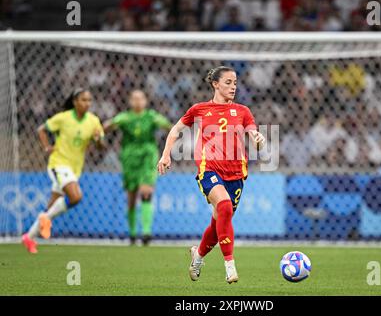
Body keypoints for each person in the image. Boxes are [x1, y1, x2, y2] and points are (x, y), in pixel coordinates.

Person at [158, 66, 265, 284]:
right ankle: (230, 266)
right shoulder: (199, 109)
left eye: (235, 83)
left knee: (218, 225)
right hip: (209, 170)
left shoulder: (243, 111)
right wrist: (165, 155)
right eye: (228, 82)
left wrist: (257, 138)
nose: (233, 87)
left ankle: (197, 256)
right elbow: (176, 130)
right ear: (215, 84)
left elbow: (252, 130)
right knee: (224, 205)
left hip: (236, 173)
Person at [22, 88, 105, 254]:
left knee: (52, 207)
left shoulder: (94, 121)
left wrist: (97, 140)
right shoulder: (64, 118)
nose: (87, 103)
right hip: (58, 163)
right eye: (83, 100)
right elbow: (42, 129)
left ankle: (29, 238)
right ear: (75, 102)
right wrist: (46, 147)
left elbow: (101, 147)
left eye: (89, 100)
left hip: (75, 168)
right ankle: (45, 219)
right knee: (75, 197)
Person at [104, 90, 171, 245]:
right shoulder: (125, 117)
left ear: (146, 101)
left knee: (146, 192)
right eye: (134, 98)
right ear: (130, 101)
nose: (138, 101)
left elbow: (168, 126)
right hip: (129, 158)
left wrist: (174, 130)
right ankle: (133, 234)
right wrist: (101, 130)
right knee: (131, 197)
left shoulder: (151, 116)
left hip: (148, 156)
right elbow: (108, 126)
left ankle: (146, 233)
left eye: (141, 98)